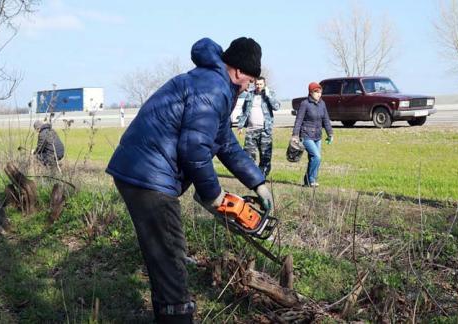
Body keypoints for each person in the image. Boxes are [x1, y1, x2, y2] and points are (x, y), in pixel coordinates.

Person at [105, 37, 273, 324]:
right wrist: (214, 196)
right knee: (171, 254)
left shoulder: (212, 83)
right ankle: (177, 318)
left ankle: (167, 314)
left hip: (141, 169)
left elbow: (226, 144)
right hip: (149, 174)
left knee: (164, 253)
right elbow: (194, 149)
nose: (249, 86)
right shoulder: (214, 87)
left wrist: (258, 182)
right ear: (239, 72)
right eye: (250, 79)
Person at [237, 76, 281, 177]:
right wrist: (240, 125)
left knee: (265, 156)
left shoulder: (270, 94)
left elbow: (276, 107)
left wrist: (268, 95)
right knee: (248, 155)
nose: (258, 86)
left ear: (264, 84)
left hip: (265, 130)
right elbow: (244, 111)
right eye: (257, 84)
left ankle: (262, 177)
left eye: (261, 84)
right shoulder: (250, 95)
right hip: (251, 130)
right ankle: (251, 176)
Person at [292, 82, 333, 187]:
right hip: (306, 135)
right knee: (317, 157)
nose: (319, 94)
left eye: (320, 92)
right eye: (316, 92)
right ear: (310, 93)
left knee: (314, 159)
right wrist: (295, 135)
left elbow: (326, 120)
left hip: (318, 136)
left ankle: (308, 181)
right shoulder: (305, 104)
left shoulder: (322, 104)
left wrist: (330, 133)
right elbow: (299, 120)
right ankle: (312, 179)